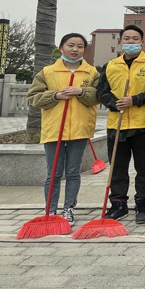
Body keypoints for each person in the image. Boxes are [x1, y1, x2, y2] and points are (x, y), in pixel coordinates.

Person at [27, 33, 99, 226]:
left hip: (79, 128)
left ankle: (69, 208)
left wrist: (80, 91)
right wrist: (56, 96)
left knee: (73, 171)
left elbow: (98, 96)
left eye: (80, 46)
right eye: (70, 45)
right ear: (61, 48)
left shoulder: (91, 72)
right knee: (54, 173)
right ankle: (50, 210)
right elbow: (33, 97)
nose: (75, 49)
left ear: (84, 50)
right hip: (54, 128)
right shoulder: (47, 72)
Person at [96, 25, 145, 224]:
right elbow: (101, 92)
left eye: (135, 39)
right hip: (117, 125)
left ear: (142, 42)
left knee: (144, 168)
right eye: (127, 39)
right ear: (121, 41)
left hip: (143, 125)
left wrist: (135, 100)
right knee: (117, 168)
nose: (131, 42)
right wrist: (114, 103)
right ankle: (118, 204)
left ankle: (142, 203)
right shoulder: (111, 65)